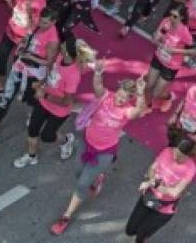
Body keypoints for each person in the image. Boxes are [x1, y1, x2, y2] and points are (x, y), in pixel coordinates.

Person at [50, 64, 148, 235]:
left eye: (124, 98)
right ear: (116, 90)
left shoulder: (126, 111)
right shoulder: (105, 97)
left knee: (81, 184)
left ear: (129, 99)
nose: (119, 99)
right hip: (87, 143)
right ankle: (98, 177)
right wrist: (97, 72)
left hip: (104, 152)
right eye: (119, 94)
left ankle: (66, 216)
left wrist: (140, 92)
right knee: (78, 173)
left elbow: (139, 111)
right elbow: (97, 86)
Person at [0, 9, 61, 145]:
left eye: (45, 22)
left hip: (34, 73)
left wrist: (31, 57)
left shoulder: (53, 39)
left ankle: (31, 114)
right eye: (41, 20)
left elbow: (49, 61)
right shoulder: (36, 26)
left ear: (53, 22)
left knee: (29, 99)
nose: (41, 24)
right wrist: (22, 46)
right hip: (20, 66)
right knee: (6, 98)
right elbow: (26, 39)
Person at [13, 36, 92, 167]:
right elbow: (51, 74)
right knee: (32, 129)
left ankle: (66, 141)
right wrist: (42, 83)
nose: (61, 45)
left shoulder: (73, 75)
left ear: (67, 53)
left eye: (64, 45)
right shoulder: (60, 58)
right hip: (44, 102)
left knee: (47, 136)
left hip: (58, 111)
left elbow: (67, 101)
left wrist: (44, 95)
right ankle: (31, 156)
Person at [125, 139, 196, 242]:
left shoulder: (191, 168)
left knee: (141, 235)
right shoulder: (167, 152)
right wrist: (152, 179)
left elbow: (175, 192)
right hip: (149, 196)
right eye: (176, 153)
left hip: (164, 207)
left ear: (188, 156)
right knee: (130, 230)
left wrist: (152, 183)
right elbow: (152, 168)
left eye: (181, 156)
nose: (176, 157)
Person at [141, 6, 195, 112]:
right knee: (149, 86)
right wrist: (158, 35)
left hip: (171, 66)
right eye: (170, 14)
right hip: (159, 57)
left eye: (175, 16)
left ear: (181, 18)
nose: (171, 18)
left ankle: (169, 98)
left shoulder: (184, 31)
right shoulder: (166, 22)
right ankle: (148, 105)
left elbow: (195, 51)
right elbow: (155, 38)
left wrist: (176, 51)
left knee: (157, 93)